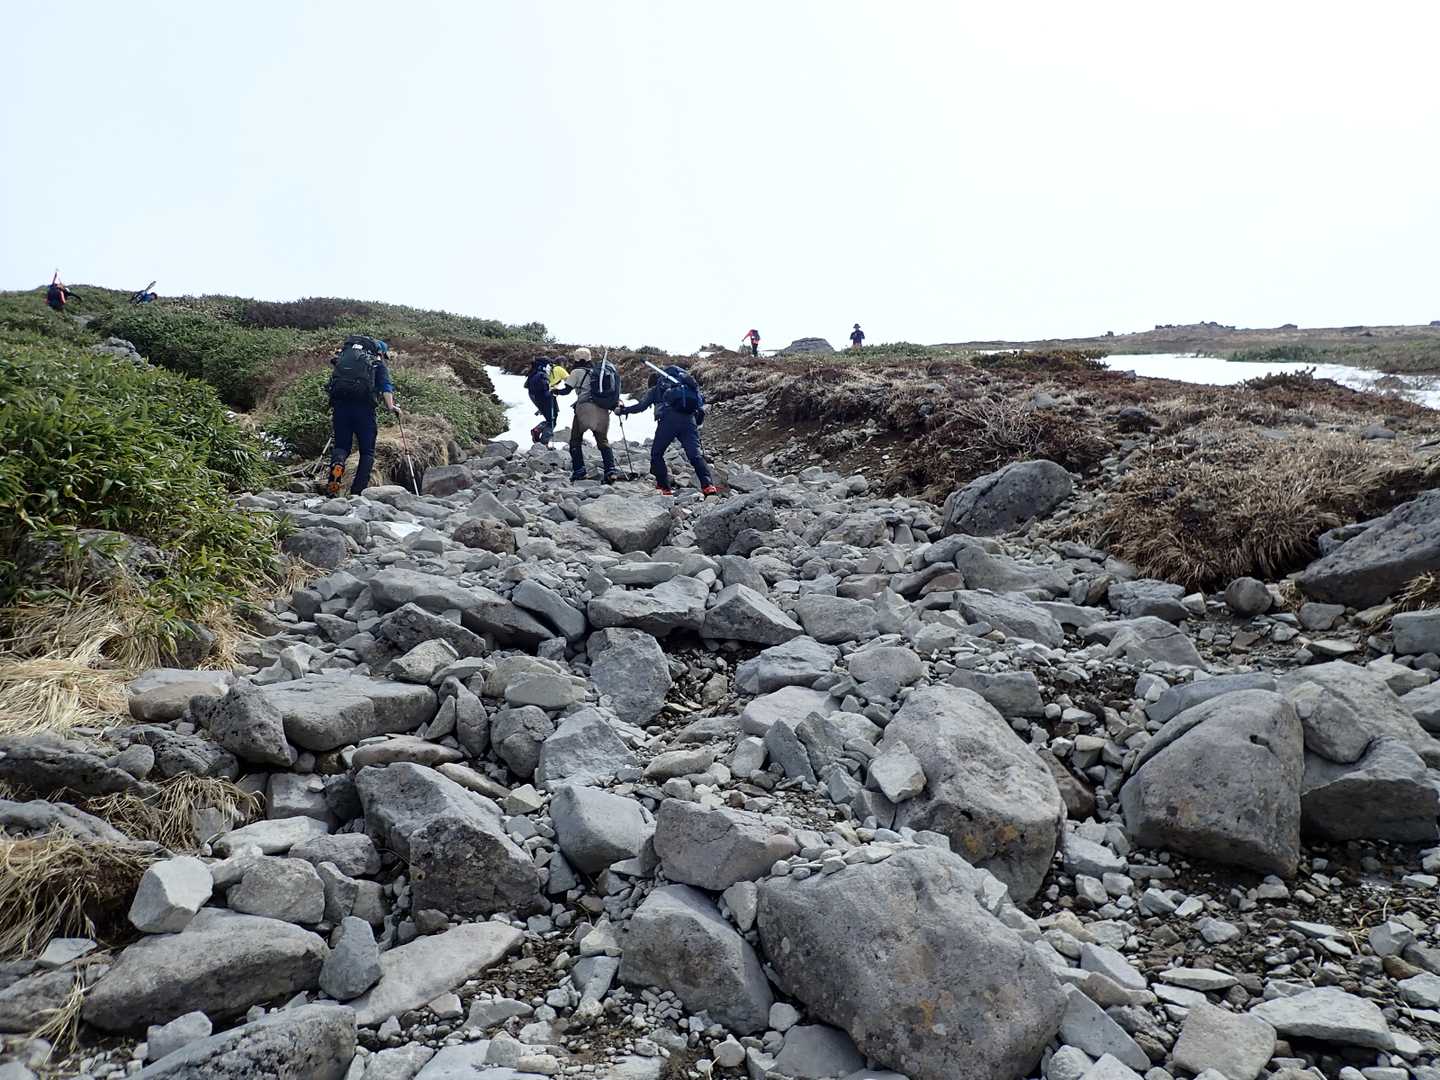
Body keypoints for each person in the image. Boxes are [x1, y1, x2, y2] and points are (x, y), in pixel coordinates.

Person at [617, 364, 718, 497]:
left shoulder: (657, 389)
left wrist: (623, 410)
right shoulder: (685, 387)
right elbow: (700, 404)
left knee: (657, 454)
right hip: (689, 421)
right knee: (695, 455)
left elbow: (641, 406)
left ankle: (664, 487)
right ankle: (708, 486)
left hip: (668, 421)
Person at [326, 335, 400, 496]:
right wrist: (391, 407)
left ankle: (336, 474)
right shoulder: (377, 364)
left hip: (341, 407)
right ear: (380, 352)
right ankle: (357, 492)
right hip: (364, 411)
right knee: (367, 452)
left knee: (341, 447)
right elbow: (386, 387)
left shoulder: (344, 359)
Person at [561, 347, 620, 482]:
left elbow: (566, 390)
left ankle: (579, 471)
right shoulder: (598, 372)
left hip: (584, 409)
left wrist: (554, 391)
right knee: (603, 441)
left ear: (576, 359)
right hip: (602, 409)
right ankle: (610, 471)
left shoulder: (576, 372)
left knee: (575, 440)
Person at [525, 355, 561, 446]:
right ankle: (544, 442)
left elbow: (527, 386)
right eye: (549, 364)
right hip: (545, 399)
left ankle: (537, 430)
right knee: (552, 421)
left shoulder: (533, 373)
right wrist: (552, 392)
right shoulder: (541, 375)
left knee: (550, 419)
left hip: (537, 398)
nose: (550, 367)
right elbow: (545, 391)